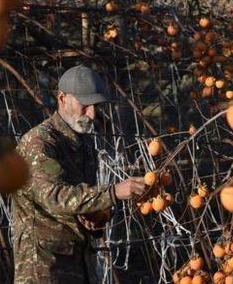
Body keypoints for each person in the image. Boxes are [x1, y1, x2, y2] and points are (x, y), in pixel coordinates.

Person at [11, 65, 147, 283]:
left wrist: (96, 217)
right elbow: (55, 196)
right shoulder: (40, 143)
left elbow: (80, 200)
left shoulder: (83, 143)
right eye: (85, 105)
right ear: (62, 98)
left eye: (96, 106)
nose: (92, 114)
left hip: (79, 263)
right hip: (44, 268)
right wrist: (113, 193)